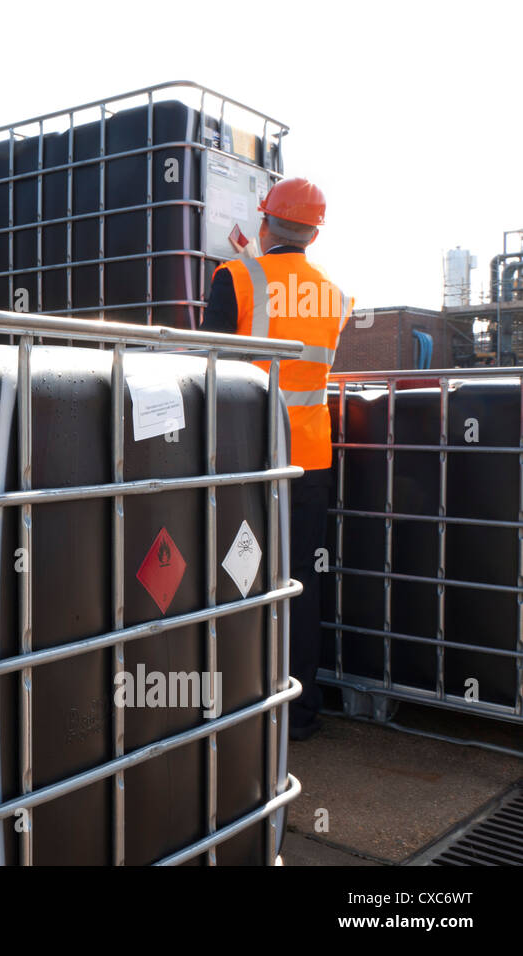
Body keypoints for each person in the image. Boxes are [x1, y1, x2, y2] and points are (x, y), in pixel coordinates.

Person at [202, 177, 351, 741]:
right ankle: (299, 712)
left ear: (265, 223)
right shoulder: (336, 295)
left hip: (247, 457)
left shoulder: (237, 276)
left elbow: (206, 367)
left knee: (238, 576)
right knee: (301, 584)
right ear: (314, 231)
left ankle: (240, 705)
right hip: (310, 457)